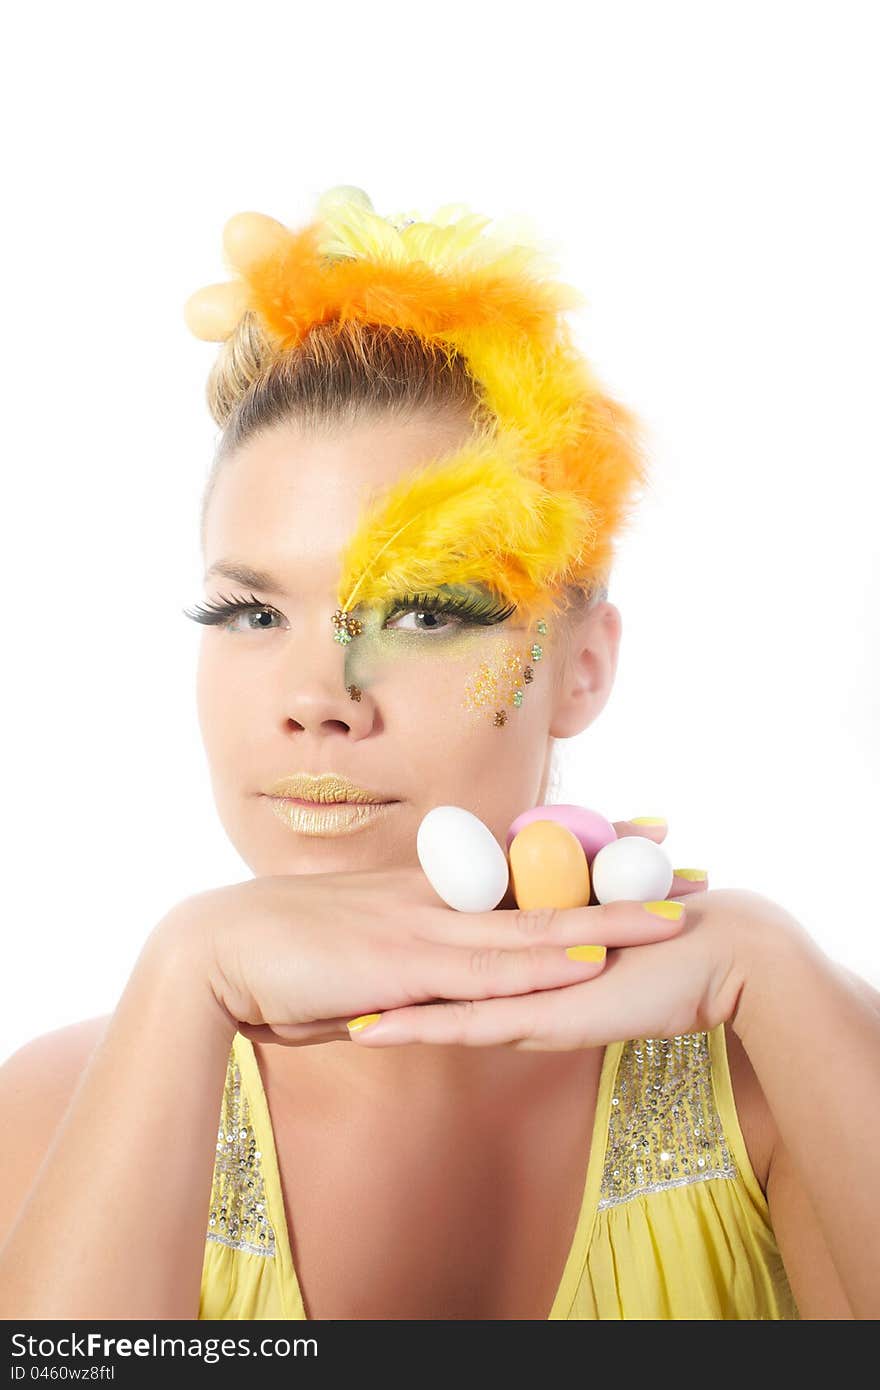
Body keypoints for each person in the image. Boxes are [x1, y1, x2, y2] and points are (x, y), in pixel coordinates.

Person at [1, 188, 878, 1322]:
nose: (317, 700)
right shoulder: (56, 1110)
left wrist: (771, 964)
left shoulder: (774, 1090)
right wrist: (187, 970)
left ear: (580, 668)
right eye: (252, 617)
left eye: (422, 615)